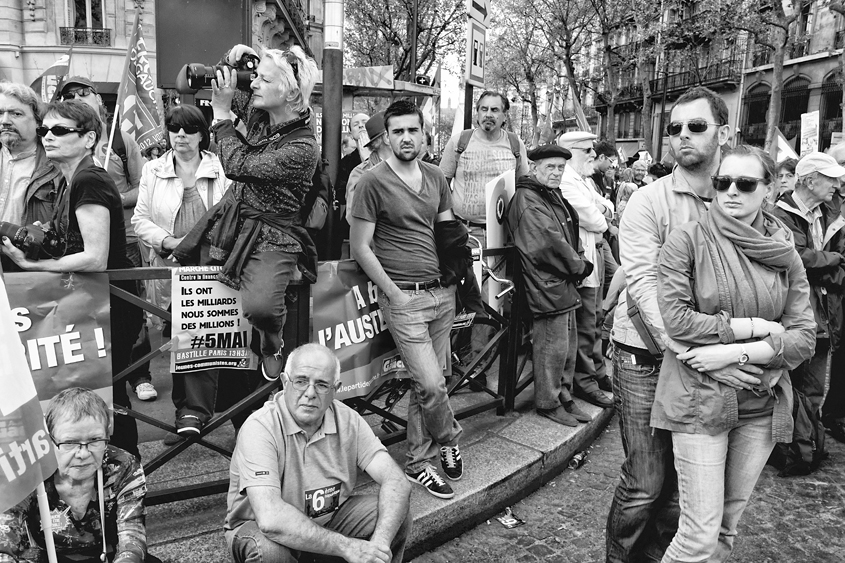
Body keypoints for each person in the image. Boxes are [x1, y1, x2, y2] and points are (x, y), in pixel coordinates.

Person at [606, 86, 755, 563]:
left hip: (705, 364)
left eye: (696, 126)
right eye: (675, 129)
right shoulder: (648, 203)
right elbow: (647, 292)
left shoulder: (739, 198)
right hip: (646, 360)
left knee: (682, 493)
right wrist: (704, 356)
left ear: (724, 133)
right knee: (645, 483)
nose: (683, 136)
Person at [653, 145, 815, 561]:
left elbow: (805, 337)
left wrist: (731, 355)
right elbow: (678, 323)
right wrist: (758, 330)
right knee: (698, 537)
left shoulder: (785, 252)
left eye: (745, 184)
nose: (730, 192)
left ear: (770, 188)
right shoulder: (686, 240)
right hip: (698, 401)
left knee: (726, 530)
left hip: (762, 403)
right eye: (723, 182)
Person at [1, 100, 142, 459]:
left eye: (61, 131)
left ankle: (125, 478)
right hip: (96, 304)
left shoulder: (88, 179)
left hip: (111, 305)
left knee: (108, 396)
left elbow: (94, 256)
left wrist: (33, 267)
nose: (49, 137)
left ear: (89, 138)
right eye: (46, 130)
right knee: (97, 397)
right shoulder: (71, 179)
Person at [173, 45, 320, 390]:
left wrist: (222, 114)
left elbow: (237, 165)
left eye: (263, 79)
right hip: (229, 223)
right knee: (199, 305)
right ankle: (199, 399)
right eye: (254, 77)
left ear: (289, 91)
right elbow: (190, 80)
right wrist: (229, 60)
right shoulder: (260, 113)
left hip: (274, 232)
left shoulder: (303, 148)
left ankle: (272, 342)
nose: (253, 84)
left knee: (261, 308)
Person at [350, 99, 464, 499]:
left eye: (412, 130)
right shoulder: (371, 182)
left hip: (440, 295)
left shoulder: (435, 177)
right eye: (397, 131)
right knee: (432, 385)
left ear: (424, 133)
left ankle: (419, 461)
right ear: (387, 137)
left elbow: (449, 234)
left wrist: (454, 282)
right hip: (405, 299)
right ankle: (449, 436)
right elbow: (361, 248)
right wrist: (394, 294)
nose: (406, 138)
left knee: (429, 383)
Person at [224, 344, 411, 563]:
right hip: (258, 529)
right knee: (270, 552)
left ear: (335, 389)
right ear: (285, 382)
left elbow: (396, 481)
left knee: (395, 514)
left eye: (322, 384)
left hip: (329, 519)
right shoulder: (260, 427)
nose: (310, 393)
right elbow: (270, 519)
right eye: (301, 381)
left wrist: (377, 548)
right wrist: (348, 547)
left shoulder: (348, 420)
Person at [132, 104, 231, 437]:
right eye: (174, 129)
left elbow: (236, 217)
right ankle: (186, 413)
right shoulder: (153, 170)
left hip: (217, 267)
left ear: (202, 134)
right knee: (180, 339)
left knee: (220, 336)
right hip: (172, 266)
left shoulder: (222, 167)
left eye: (188, 130)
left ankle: (220, 412)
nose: (180, 136)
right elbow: (140, 221)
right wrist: (169, 242)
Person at [57, 77, 156, 403]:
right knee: (95, 332)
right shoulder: (62, 151)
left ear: (98, 99)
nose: (78, 97)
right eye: (70, 95)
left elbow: (140, 187)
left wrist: (105, 199)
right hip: (80, 254)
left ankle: (139, 373)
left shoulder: (120, 140)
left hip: (122, 238)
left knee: (131, 311)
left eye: (83, 92)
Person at [0, 387, 159, 563]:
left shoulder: (124, 466)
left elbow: (132, 537)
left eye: (95, 440)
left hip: (107, 555)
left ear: (107, 434)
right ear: (49, 439)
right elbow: (6, 537)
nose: (83, 453)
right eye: (69, 442)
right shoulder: (28, 471)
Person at [506, 144, 594, 426]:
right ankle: (548, 401)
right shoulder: (528, 198)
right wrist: (579, 265)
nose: (556, 172)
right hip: (545, 283)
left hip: (558, 282)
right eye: (550, 167)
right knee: (551, 348)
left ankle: (562, 397)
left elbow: (567, 233)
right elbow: (547, 243)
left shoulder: (547, 193)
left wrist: (577, 261)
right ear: (534, 168)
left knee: (565, 347)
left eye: (560, 167)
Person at [774, 152, 845, 418]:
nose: (837, 186)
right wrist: (834, 260)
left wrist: (827, 264)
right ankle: (793, 451)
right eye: (832, 179)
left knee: (813, 389)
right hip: (795, 314)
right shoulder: (780, 213)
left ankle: (806, 447)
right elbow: (796, 258)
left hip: (824, 314)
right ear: (811, 181)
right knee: (789, 387)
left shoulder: (829, 213)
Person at [557, 131, 614, 406]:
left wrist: (602, 211)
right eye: (588, 150)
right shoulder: (567, 181)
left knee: (596, 319)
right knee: (586, 323)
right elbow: (597, 219)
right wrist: (602, 212)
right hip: (584, 260)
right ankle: (586, 381)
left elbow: (608, 208)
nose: (594, 154)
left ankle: (597, 372)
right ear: (572, 151)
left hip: (594, 255)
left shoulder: (582, 180)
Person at [0, 82, 63, 271]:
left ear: (38, 121)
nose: (5, 120)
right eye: (0, 113)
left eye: (16, 114)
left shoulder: (58, 166)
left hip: (30, 268)